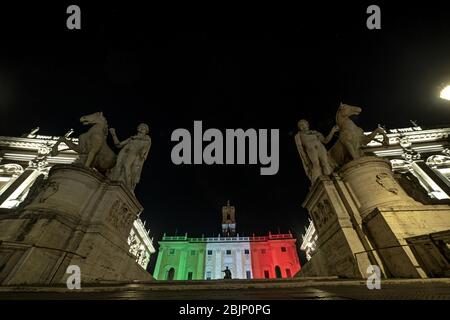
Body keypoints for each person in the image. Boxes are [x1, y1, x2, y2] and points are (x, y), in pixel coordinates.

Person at [108, 123, 151, 192]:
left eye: (144, 128)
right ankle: (118, 181)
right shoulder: (131, 139)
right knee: (118, 167)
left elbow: (144, 151)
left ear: (146, 132)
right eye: (140, 127)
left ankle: (129, 188)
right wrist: (113, 133)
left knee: (126, 165)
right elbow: (118, 145)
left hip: (134, 155)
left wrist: (142, 153)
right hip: (123, 154)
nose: (141, 128)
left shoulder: (147, 140)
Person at [295, 119, 339, 185]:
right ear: (299, 128)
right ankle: (315, 183)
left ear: (307, 124)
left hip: (320, 148)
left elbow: (325, 141)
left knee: (325, 163)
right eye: (301, 125)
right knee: (316, 164)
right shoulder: (298, 136)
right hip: (311, 150)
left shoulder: (315, 132)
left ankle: (332, 180)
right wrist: (305, 160)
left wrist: (332, 131)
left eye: (304, 124)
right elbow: (301, 149)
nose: (303, 126)